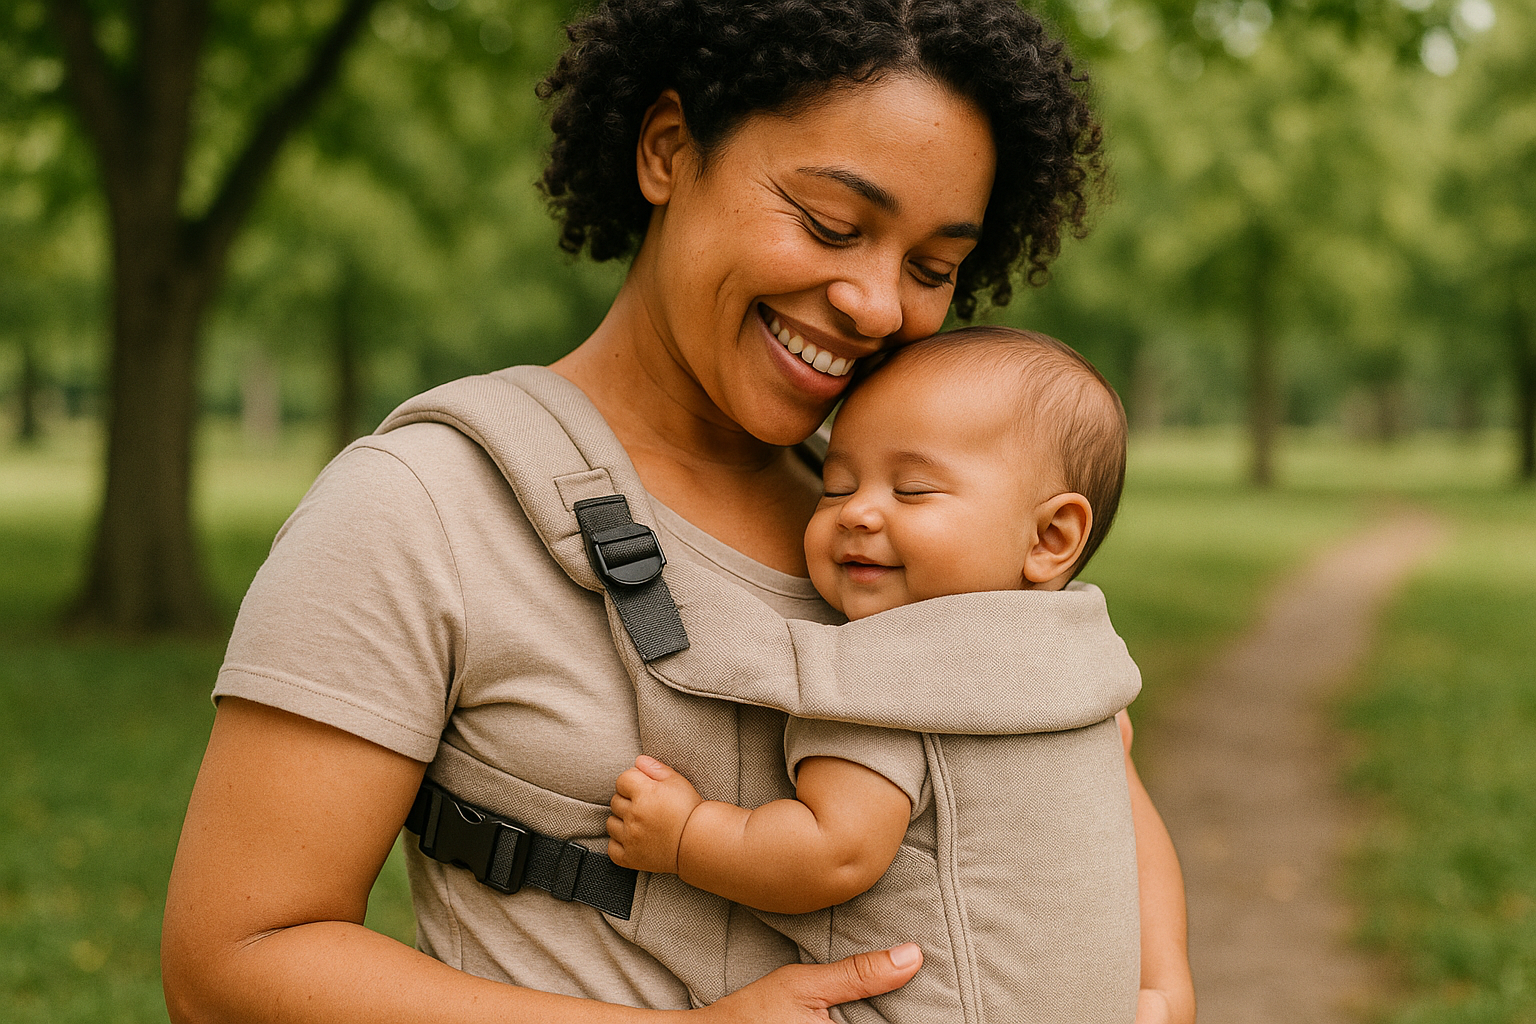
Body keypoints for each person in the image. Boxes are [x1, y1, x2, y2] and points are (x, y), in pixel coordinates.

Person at [160, 3, 1195, 1023]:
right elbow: (234, 960)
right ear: (667, 150)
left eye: (933, 267)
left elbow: (1093, 764)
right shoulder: (420, 508)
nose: (880, 306)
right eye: (833, 225)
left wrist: (1159, 987)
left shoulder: (919, 538)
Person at [606, 327, 1151, 1022]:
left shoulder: (885, 678)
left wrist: (686, 837)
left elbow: (831, 854)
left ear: (1050, 538)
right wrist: (1162, 978)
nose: (859, 512)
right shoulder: (1082, 663)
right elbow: (1135, 837)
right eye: (834, 488)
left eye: (913, 489)